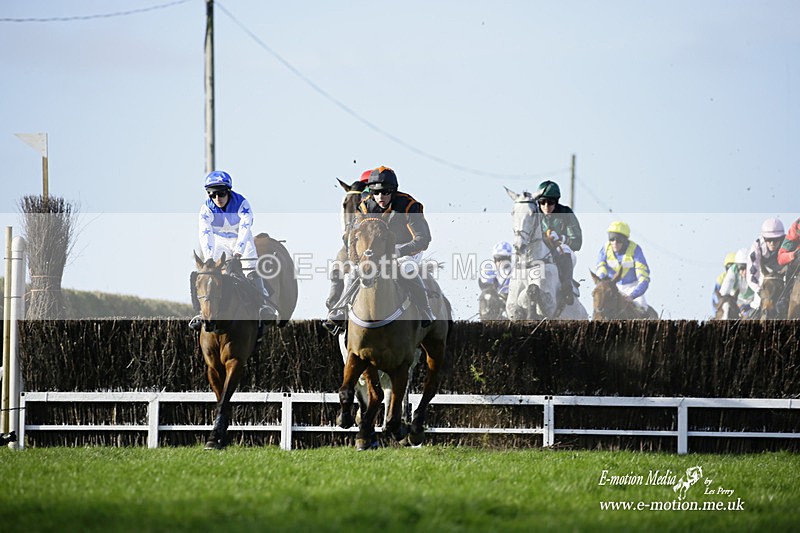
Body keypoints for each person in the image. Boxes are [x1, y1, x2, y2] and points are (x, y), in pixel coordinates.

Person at [324, 166, 434, 331]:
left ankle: (425, 310)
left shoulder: (409, 206)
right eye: (376, 193)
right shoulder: (365, 206)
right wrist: (355, 259)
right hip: (378, 248)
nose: (380, 197)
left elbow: (423, 240)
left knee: (406, 267)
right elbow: (352, 238)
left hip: (406, 247)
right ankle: (340, 311)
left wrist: (398, 252)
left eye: (386, 192)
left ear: (394, 191)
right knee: (354, 272)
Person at [189, 170, 279, 333]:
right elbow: (205, 234)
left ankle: (264, 307)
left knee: (250, 268)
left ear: (228, 191)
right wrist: (209, 257)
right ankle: (200, 313)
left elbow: (245, 229)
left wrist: (238, 252)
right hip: (220, 242)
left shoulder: (242, 204)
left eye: (221, 194)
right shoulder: (205, 209)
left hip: (241, 239)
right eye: (212, 194)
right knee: (207, 274)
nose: (217, 199)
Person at [532, 180, 582, 305]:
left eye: (550, 202)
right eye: (542, 202)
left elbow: (577, 242)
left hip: (563, 254)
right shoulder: (535, 214)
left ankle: (567, 287)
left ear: (557, 201)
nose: (546, 206)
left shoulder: (566, 213)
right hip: (540, 253)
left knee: (564, 249)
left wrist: (561, 239)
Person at [594, 221, 651, 310]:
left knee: (642, 309)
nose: (615, 243)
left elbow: (644, 278)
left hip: (632, 287)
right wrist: (602, 281)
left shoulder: (635, 249)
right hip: (612, 287)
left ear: (625, 240)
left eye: (619, 239)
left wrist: (633, 295)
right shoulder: (605, 249)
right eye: (611, 238)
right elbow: (600, 267)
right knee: (599, 306)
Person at [746, 218, 786, 312]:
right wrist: (760, 291)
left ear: (782, 238)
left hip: (784, 278)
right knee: (758, 306)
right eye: (769, 240)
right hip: (764, 281)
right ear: (764, 238)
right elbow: (752, 275)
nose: (772, 243)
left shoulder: (788, 243)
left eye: (776, 240)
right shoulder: (756, 247)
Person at [718, 248, 755, 317]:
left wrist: (751, 307)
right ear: (737, 266)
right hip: (736, 303)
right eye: (742, 268)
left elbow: (760, 294)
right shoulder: (732, 271)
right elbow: (724, 292)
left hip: (753, 303)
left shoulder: (757, 272)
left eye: (747, 268)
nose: (745, 272)